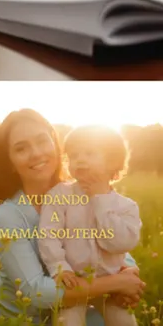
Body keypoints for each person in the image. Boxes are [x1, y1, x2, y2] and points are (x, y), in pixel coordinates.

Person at [0, 110, 144, 323]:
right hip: (24, 318)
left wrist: (129, 271)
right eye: (21, 148)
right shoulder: (8, 216)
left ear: (55, 144)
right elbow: (36, 292)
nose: (36, 153)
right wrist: (116, 283)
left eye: (42, 141)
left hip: (77, 301)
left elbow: (107, 243)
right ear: (10, 162)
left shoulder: (83, 191)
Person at [37, 125, 141, 326]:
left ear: (112, 162)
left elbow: (119, 244)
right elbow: (48, 235)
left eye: (89, 153)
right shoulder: (59, 195)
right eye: (74, 155)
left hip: (111, 287)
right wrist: (59, 267)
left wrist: (100, 199)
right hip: (74, 282)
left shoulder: (127, 207)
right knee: (67, 322)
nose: (80, 160)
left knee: (124, 321)